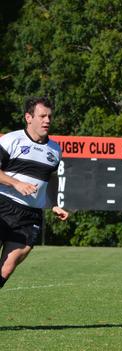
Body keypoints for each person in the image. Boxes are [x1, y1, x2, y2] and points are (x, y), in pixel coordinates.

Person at [0, 96, 69, 290]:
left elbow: (52, 177)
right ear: (28, 117)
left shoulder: (55, 150)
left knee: (6, 269)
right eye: (42, 116)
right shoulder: (11, 140)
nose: (47, 120)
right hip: (3, 205)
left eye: (49, 116)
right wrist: (15, 183)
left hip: (30, 215)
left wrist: (53, 203)